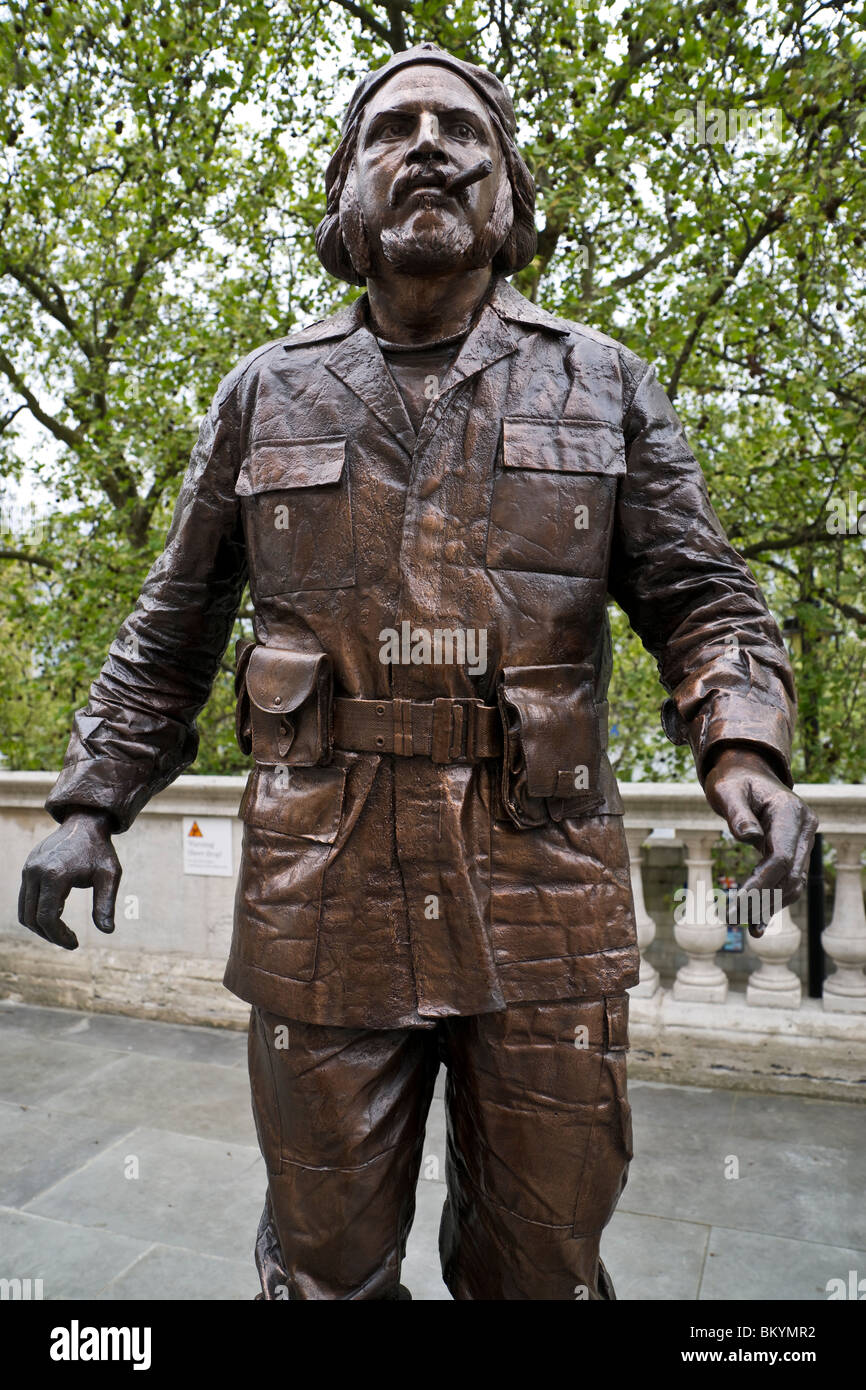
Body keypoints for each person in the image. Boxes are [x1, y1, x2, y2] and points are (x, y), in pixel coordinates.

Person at [19, 43, 817, 1300]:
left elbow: (701, 599)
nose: (430, 144)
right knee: (326, 1265)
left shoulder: (602, 383)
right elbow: (168, 626)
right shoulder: (265, 395)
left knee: (541, 1263)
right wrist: (86, 805)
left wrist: (743, 749)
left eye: (464, 129)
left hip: (542, 886)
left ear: (510, 195)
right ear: (346, 191)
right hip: (319, 887)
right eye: (393, 128)